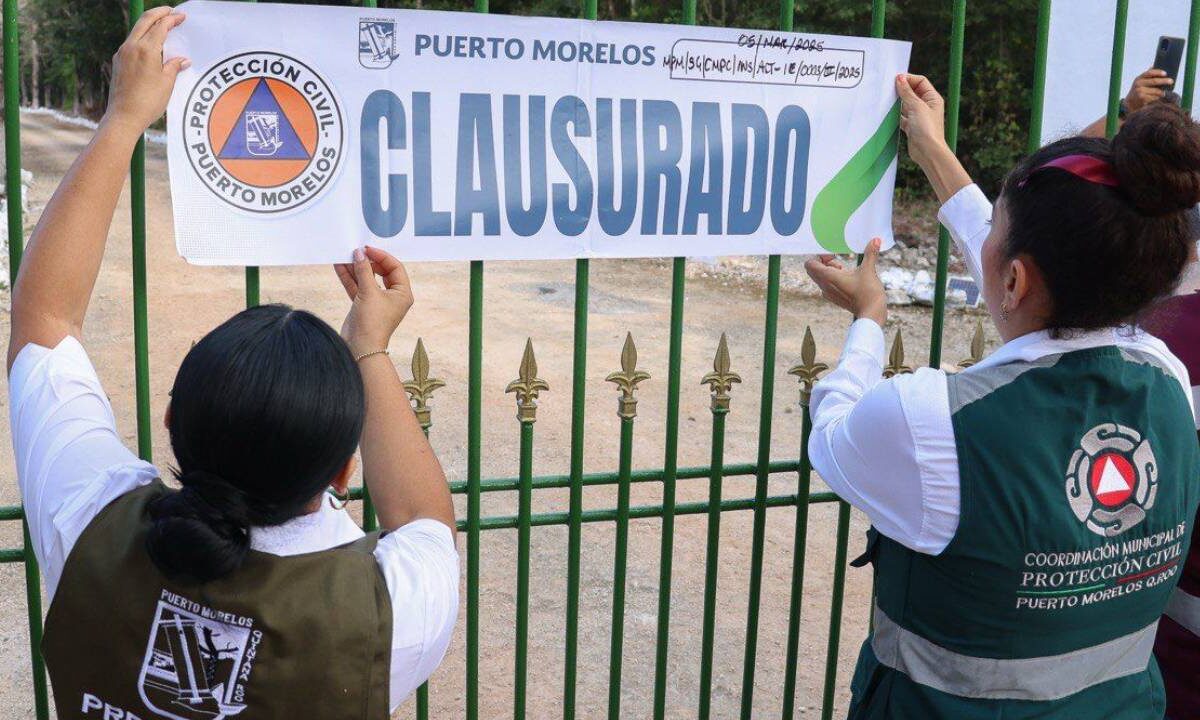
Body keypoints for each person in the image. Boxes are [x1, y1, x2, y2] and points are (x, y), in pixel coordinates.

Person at [6, 9, 458, 718]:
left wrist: (124, 118)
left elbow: (43, 324)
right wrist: (368, 344)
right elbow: (424, 518)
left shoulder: (88, 522)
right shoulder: (382, 614)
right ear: (343, 473)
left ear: (172, 423)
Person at [804, 72, 1200, 719]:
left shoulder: (932, 421)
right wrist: (930, 147)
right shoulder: (1167, 377)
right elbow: (1044, 282)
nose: (982, 237)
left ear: (1014, 278)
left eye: (995, 232)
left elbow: (831, 435)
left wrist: (868, 317)